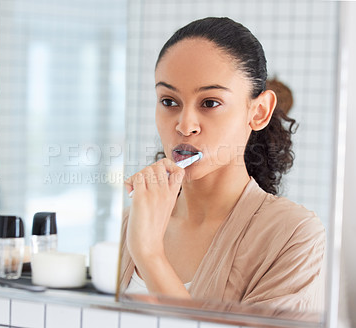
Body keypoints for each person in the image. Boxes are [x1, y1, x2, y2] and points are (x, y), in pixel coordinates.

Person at [119, 17, 325, 313]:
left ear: (259, 112)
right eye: (168, 101)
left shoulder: (293, 235)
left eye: (210, 103)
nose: (184, 125)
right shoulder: (133, 219)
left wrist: (150, 255)